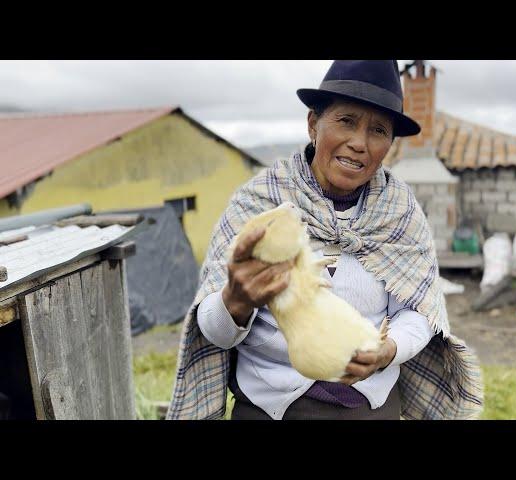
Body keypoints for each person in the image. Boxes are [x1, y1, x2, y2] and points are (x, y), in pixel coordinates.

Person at [167, 60, 483, 420]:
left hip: (370, 407)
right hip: (270, 409)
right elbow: (215, 331)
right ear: (313, 124)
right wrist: (234, 302)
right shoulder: (261, 206)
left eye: (378, 131)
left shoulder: (401, 214)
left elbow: (418, 311)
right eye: (346, 121)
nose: (359, 143)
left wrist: (389, 349)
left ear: (389, 145)